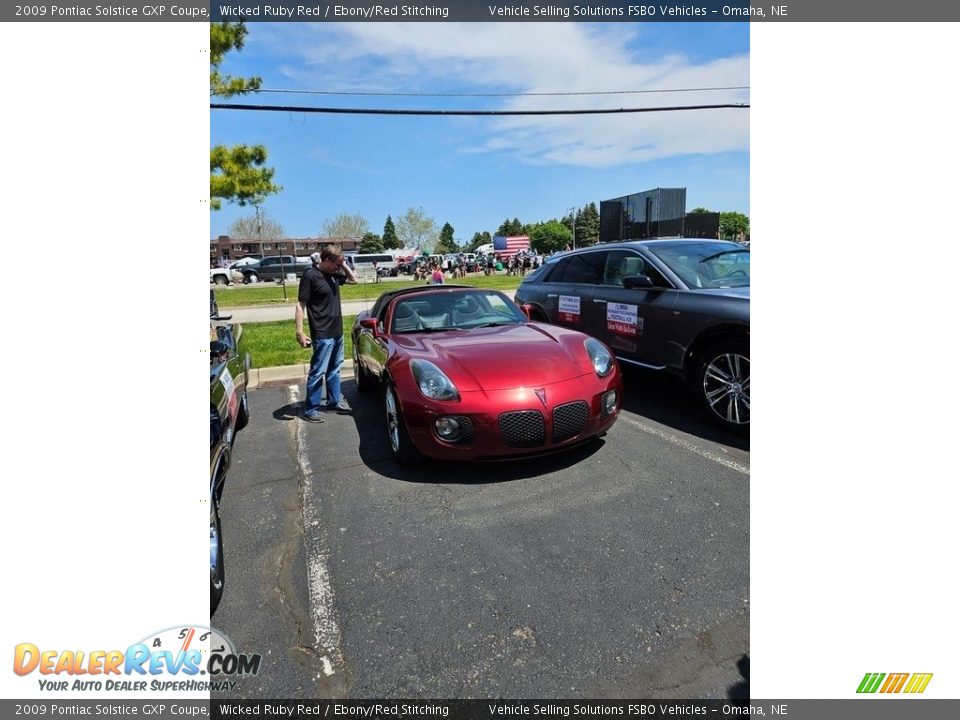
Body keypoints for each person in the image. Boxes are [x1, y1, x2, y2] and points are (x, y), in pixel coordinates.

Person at [295, 245, 358, 422]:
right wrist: (300, 331)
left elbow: (354, 280)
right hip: (322, 332)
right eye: (337, 263)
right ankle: (310, 409)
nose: (339, 267)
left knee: (334, 369)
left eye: (340, 264)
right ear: (327, 260)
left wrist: (343, 264)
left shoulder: (334, 274)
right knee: (318, 371)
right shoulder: (310, 275)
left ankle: (333, 402)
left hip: (336, 331)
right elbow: (300, 305)